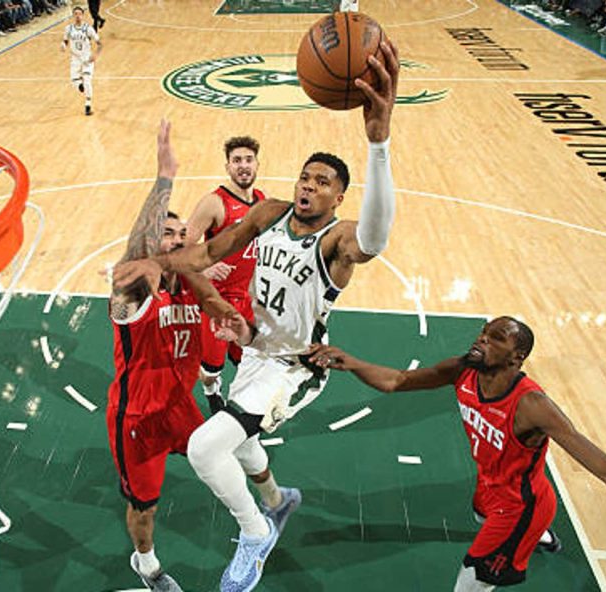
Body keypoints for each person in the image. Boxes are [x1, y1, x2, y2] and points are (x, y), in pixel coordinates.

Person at [114, 41, 401, 592]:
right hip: (255, 350)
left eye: (322, 183)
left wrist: (378, 143)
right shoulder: (270, 213)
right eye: (305, 177)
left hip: (293, 367)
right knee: (241, 441)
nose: (308, 186)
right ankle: (277, 498)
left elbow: (376, 238)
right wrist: (157, 260)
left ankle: (254, 532)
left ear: (340, 197)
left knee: (205, 446)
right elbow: (204, 255)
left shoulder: (338, 240)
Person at [306, 318, 606, 592]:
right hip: (491, 492)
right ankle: (542, 535)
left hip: (519, 508)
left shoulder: (532, 405)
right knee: (482, 514)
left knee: (469, 582)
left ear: (516, 357)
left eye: (496, 338)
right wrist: (353, 362)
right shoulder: (463, 369)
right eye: (484, 332)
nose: (482, 339)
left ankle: (534, 531)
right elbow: (398, 380)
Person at [107, 120, 242, 592]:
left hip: (178, 406)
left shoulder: (191, 285)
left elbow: (217, 257)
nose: (175, 238)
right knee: (146, 507)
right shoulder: (131, 291)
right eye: (167, 232)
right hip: (138, 417)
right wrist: (164, 179)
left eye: (180, 232)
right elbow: (140, 249)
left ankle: (257, 516)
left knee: (232, 444)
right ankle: (145, 564)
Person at [184, 135, 266, 414]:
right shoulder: (214, 203)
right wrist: (203, 268)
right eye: (237, 160)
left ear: (257, 163)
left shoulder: (261, 202)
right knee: (211, 368)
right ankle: (210, 389)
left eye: (248, 159)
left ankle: (243, 407)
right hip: (216, 301)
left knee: (251, 358)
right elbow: (181, 248)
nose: (243, 166)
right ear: (227, 166)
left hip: (247, 298)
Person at [60, 6, 101, 116]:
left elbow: (99, 43)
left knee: (87, 80)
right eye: (75, 14)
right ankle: (80, 86)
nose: (77, 16)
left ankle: (88, 104)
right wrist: (63, 45)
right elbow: (65, 40)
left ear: (83, 15)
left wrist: (95, 55)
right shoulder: (68, 28)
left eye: (79, 14)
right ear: (73, 16)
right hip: (75, 58)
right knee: (74, 81)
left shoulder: (88, 28)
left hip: (86, 58)